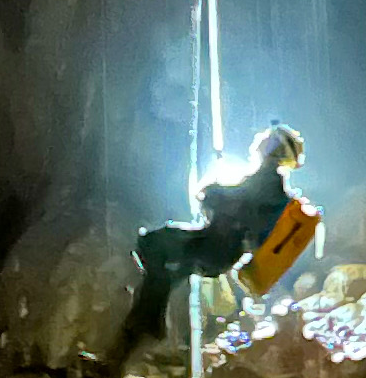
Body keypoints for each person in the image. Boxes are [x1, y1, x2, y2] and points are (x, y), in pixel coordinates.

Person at [119, 123, 308, 350]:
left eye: (267, 139)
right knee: (161, 272)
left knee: (154, 244)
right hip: (216, 246)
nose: (259, 140)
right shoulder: (267, 181)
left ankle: (146, 326)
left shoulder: (268, 182)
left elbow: (240, 206)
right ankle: (141, 330)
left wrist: (213, 193)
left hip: (216, 247)